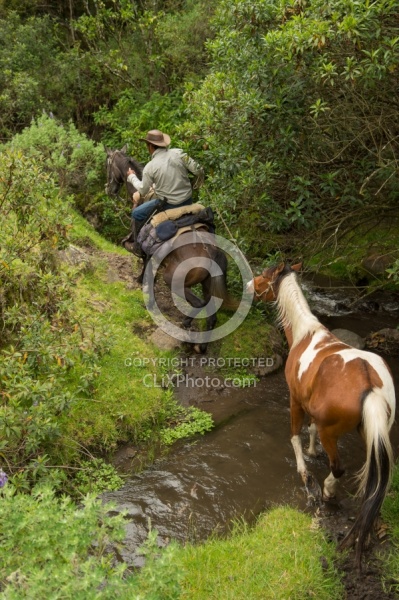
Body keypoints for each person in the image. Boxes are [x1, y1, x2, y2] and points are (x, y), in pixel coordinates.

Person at [126, 129, 203, 225]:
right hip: (187, 200)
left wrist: (132, 177)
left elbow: (143, 190)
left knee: (136, 213)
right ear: (163, 144)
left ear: (150, 147)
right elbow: (198, 170)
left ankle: (143, 236)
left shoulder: (150, 167)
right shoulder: (178, 153)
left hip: (168, 205)